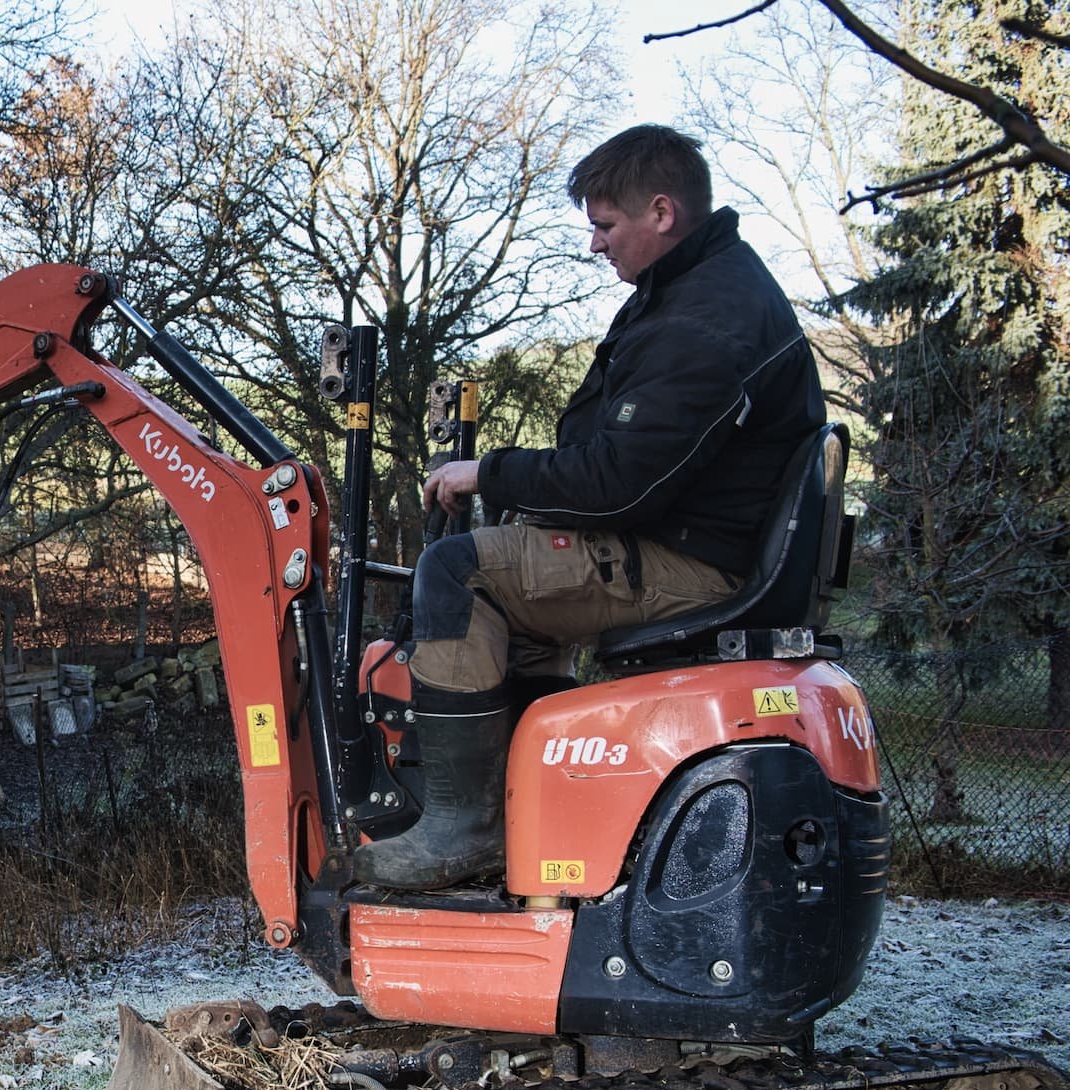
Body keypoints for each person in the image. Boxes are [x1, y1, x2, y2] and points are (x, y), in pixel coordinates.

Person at [354, 124, 826, 891]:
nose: (597, 245)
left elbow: (621, 483)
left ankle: (462, 826)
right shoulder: (692, 292)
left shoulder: (703, 321)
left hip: (692, 564)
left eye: (605, 226)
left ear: (662, 213)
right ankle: (531, 814)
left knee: (455, 570)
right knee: (516, 609)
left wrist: (490, 474)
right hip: (696, 542)